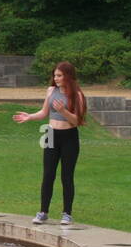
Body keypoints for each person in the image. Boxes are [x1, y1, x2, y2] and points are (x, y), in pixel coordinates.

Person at [12, 61, 87, 225]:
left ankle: (67, 213)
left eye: (59, 75)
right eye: (55, 75)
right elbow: (44, 112)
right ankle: (43, 212)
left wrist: (63, 111)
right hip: (51, 134)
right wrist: (29, 116)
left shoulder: (77, 95)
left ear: (68, 76)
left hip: (69, 137)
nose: (56, 78)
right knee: (48, 175)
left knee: (67, 176)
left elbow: (77, 121)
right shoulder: (51, 91)